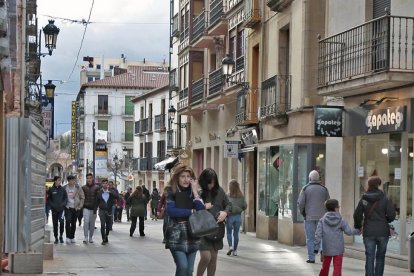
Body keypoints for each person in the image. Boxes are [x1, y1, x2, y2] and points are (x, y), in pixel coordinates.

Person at [165, 164, 204, 276]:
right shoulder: (170, 190)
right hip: (176, 235)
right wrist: (191, 212)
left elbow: (200, 210)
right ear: (177, 177)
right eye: (183, 176)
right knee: (183, 267)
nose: (186, 179)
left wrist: (195, 192)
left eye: (188, 176)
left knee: (189, 271)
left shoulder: (194, 192)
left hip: (193, 234)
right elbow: (171, 211)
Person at [354, 176, 396, 276]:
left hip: (368, 231)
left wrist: (358, 226)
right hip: (382, 232)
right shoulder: (384, 199)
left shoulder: (364, 198)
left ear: (369, 185)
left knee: (369, 256)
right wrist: (385, 221)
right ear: (378, 185)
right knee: (380, 257)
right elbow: (391, 215)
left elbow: (357, 214)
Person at [197, 168, 232, 276]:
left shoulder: (220, 191)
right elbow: (192, 211)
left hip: (217, 229)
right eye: (209, 183)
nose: (211, 185)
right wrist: (203, 207)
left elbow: (229, 205)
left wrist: (225, 212)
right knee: (206, 257)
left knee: (213, 259)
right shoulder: (198, 193)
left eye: (213, 182)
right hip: (202, 230)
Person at [315, 199, 360, 276]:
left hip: (327, 248)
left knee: (325, 267)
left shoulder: (322, 220)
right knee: (337, 268)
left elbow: (318, 235)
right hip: (338, 249)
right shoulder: (341, 220)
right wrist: (358, 231)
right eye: (338, 206)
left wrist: (316, 247)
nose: (339, 207)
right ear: (336, 208)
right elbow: (348, 231)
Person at [298, 170, 330, 263]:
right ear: (318, 178)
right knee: (322, 236)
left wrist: (303, 213)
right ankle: (322, 251)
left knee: (310, 238)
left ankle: (311, 258)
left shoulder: (305, 189)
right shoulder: (324, 189)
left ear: (309, 178)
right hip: (322, 217)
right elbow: (329, 202)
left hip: (309, 217)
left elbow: (301, 203)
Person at [226, 179, 247, 257]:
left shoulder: (227, 195)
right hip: (238, 217)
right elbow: (245, 206)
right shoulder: (241, 196)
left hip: (230, 216)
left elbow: (224, 205)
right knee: (236, 234)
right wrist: (240, 209)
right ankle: (235, 251)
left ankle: (230, 246)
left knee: (228, 232)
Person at [64, 175, 85, 244]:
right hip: (68, 207)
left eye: (73, 180)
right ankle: (67, 237)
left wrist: (80, 206)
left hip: (76, 208)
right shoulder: (65, 188)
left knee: (73, 223)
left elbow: (82, 197)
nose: (72, 182)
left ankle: (72, 237)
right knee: (67, 222)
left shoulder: (78, 188)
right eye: (70, 180)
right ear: (68, 181)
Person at [47, 176, 68, 244]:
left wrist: (63, 204)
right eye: (58, 180)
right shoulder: (51, 189)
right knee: (55, 224)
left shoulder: (63, 189)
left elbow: (66, 198)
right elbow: (49, 199)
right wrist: (52, 205)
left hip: (61, 210)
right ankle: (56, 237)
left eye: (60, 180)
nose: (60, 181)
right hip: (54, 210)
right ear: (55, 181)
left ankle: (61, 236)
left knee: (62, 222)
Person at [96, 179, 117, 245]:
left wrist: (111, 192)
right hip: (102, 210)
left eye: (106, 183)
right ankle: (103, 239)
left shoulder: (111, 191)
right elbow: (97, 201)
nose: (105, 184)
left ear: (108, 184)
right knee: (102, 224)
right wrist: (94, 210)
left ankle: (106, 235)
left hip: (109, 210)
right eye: (104, 183)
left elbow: (117, 197)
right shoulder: (99, 192)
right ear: (102, 184)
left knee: (108, 225)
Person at [82, 173, 100, 244]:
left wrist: (96, 208)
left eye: (90, 178)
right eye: (87, 178)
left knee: (92, 224)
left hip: (93, 208)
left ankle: (91, 237)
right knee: (86, 222)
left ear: (92, 179)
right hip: (85, 207)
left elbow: (98, 199)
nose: (89, 179)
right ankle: (85, 237)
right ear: (86, 179)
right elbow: (82, 198)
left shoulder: (97, 187)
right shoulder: (83, 187)